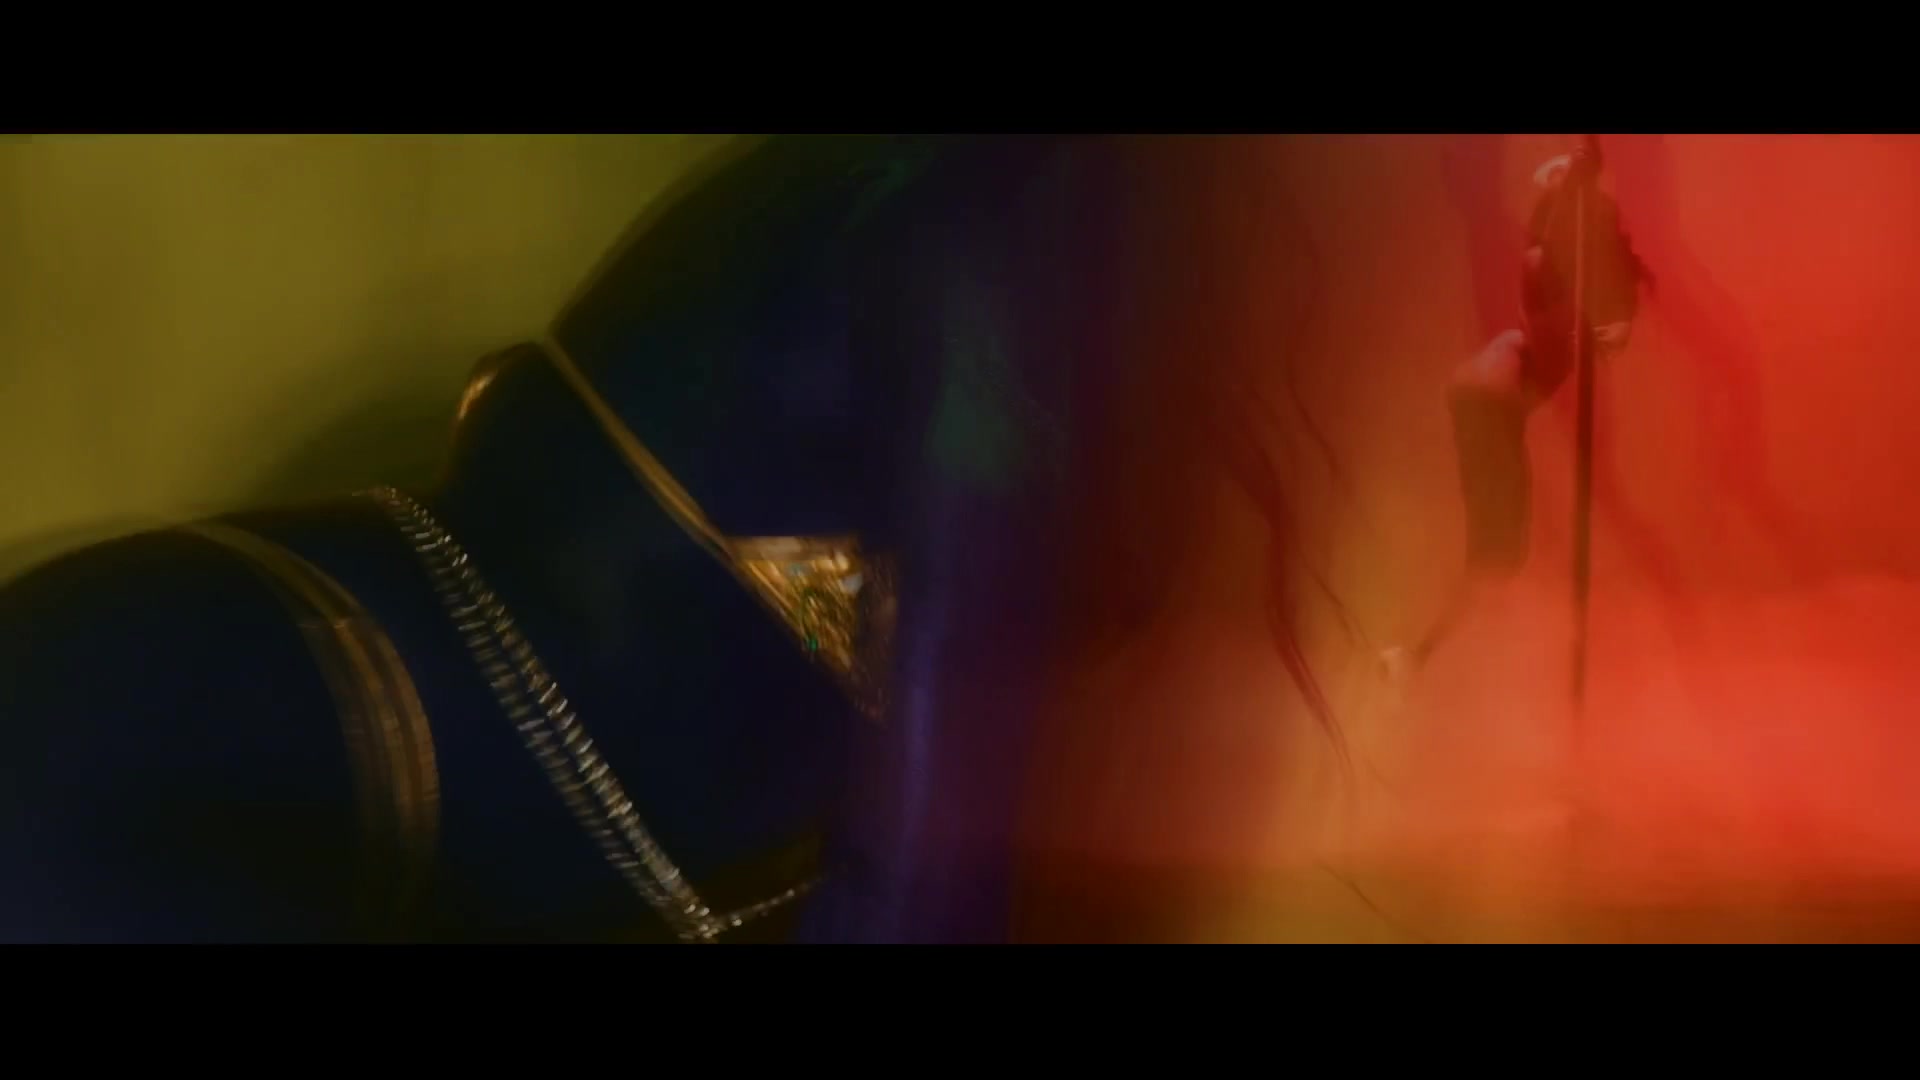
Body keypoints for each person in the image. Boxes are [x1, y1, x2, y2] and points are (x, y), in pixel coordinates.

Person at [1380, 141, 1651, 685]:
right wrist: (1567, 189)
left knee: (1501, 557)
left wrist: (1568, 195)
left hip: (1488, 408)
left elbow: (1571, 281)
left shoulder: (1578, 301)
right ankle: (1414, 655)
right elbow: (1544, 265)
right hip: (1490, 406)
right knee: (1497, 559)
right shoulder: (1560, 293)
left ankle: (1418, 653)